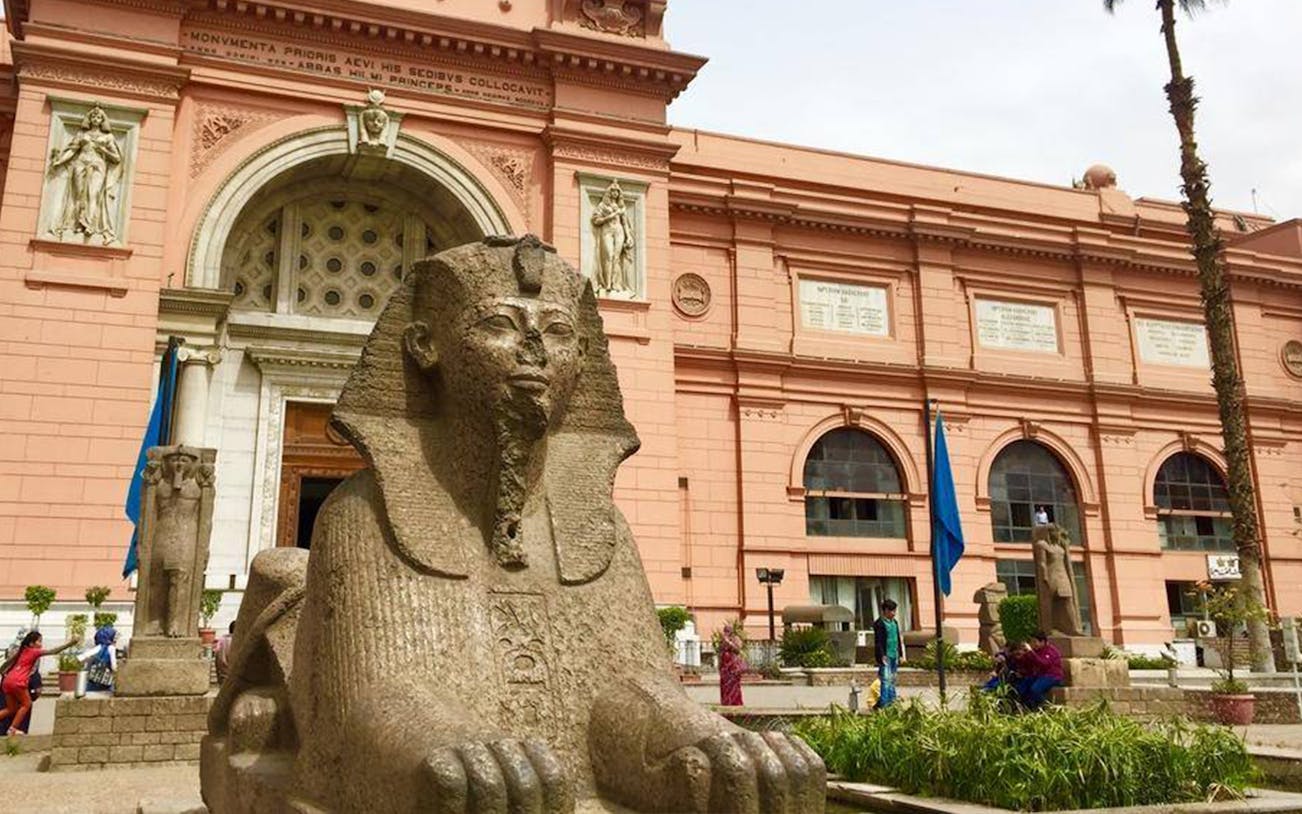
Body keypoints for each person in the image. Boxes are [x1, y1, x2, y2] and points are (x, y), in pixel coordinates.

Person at [0, 630, 77, 735]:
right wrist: (70, 643)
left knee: (11, 709)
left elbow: (6, 664)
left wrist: (3, 672)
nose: (41, 644)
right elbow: (53, 651)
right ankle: (12, 729)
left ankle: (12, 728)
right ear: (32, 644)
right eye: (39, 641)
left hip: (7, 681)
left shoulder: (22, 650)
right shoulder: (34, 651)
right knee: (27, 704)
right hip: (18, 682)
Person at [872, 598, 906, 709]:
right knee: (885, 680)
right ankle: (884, 704)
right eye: (892, 611)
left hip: (894, 655)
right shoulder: (880, 624)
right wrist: (882, 655)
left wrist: (900, 654)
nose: (894, 613)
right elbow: (878, 642)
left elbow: (897, 639)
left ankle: (892, 702)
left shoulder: (894, 623)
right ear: (885, 610)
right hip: (885, 656)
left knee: (892, 680)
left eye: (895, 611)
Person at [1016, 631, 1064, 709]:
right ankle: (1027, 708)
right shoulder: (1034, 651)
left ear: (1043, 642)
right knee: (1021, 687)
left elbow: (1044, 664)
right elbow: (1025, 664)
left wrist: (1031, 652)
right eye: (1031, 642)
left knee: (1035, 689)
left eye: (1035, 642)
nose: (1033, 644)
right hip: (1039, 675)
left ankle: (1046, 707)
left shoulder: (1050, 651)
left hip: (1052, 676)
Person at [80, 625, 118, 693]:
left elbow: (81, 658)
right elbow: (114, 667)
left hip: (92, 681)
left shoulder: (98, 648)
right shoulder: (111, 648)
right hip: (106, 683)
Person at [717, 624, 746, 706]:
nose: (726, 632)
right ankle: (726, 701)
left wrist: (728, 642)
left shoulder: (736, 638)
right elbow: (720, 652)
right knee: (725, 683)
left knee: (733, 683)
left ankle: (735, 701)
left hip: (733, 664)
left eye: (728, 630)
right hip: (724, 664)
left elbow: (738, 649)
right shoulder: (722, 640)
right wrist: (719, 665)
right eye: (725, 630)